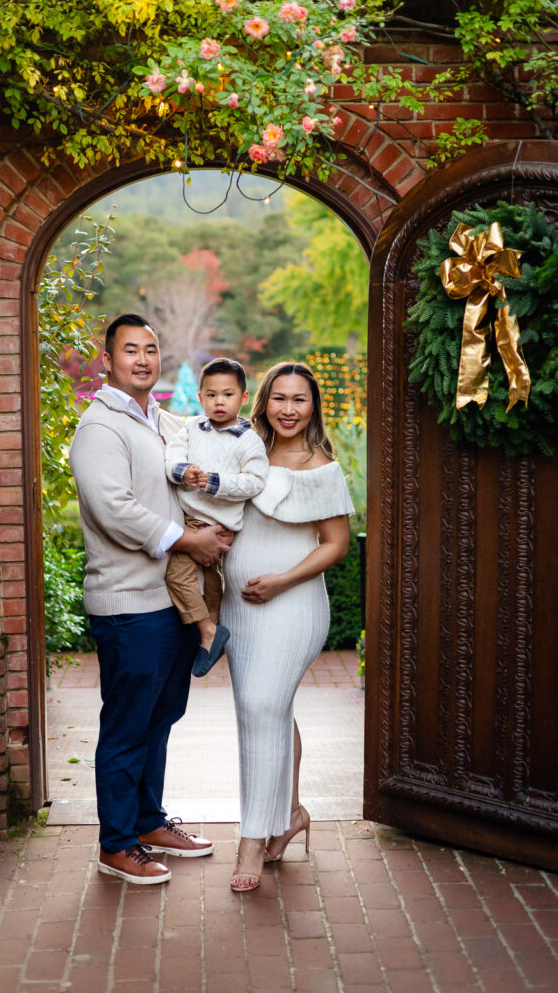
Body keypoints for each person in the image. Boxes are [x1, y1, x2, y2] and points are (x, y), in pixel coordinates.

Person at [68, 313, 232, 886]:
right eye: (130, 350)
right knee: (127, 725)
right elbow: (113, 510)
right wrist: (190, 540)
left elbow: (212, 442)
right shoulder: (99, 428)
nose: (142, 359)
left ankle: (147, 821)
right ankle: (116, 844)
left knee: (161, 717)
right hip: (127, 604)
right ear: (107, 360)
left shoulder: (162, 422)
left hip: (167, 602)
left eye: (151, 349)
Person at [220, 362, 355, 892]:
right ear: (264, 401)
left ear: (313, 406)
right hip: (240, 609)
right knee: (267, 710)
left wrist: (279, 580)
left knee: (261, 707)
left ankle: (252, 839)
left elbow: (335, 544)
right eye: (280, 398)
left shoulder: (321, 467)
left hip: (294, 605)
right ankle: (291, 813)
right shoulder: (242, 449)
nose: (289, 409)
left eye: (300, 399)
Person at [164, 358, 269, 673]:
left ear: (243, 398)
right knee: (209, 581)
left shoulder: (249, 441)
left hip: (219, 526)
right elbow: (171, 456)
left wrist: (212, 482)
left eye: (227, 394)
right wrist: (184, 472)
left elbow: (254, 481)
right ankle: (211, 634)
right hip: (192, 522)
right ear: (199, 398)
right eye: (211, 395)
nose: (219, 401)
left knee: (178, 576)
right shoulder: (191, 427)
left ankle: (209, 632)